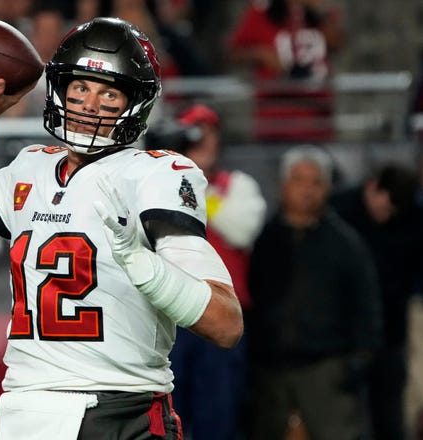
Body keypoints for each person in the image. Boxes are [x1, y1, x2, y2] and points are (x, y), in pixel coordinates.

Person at [0, 17, 243, 439]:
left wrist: (147, 268)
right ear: (59, 89)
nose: (89, 105)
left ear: (135, 104)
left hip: (119, 408)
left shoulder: (155, 174)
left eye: (109, 93)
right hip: (26, 409)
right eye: (79, 87)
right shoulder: (30, 168)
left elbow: (226, 324)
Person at [246, 145, 383, 440]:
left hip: (328, 373)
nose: (307, 190)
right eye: (299, 180)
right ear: (284, 186)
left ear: (328, 188)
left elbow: (367, 306)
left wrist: (357, 363)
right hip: (271, 375)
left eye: (316, 182)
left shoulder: (347, 244)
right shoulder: (265, 241)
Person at [158, 104, 266, 439]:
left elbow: (241, 228)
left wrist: (196, 189)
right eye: (195, 133)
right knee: (168, 413)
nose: (203, 140)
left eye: (210, 132)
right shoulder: (160, 183)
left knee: (219, 413)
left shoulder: (237, 184)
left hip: (222, 316)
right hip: (173, 316)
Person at [330, 162, 423, 440]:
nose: (386, 216)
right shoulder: (339, 211)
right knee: (345, 421)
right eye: (383, 207)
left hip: (390, 335)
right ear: (372, 187)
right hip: (344, 338)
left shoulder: (415, 219)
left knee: (389, 418)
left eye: (393, 213)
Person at [227, 0, 345, 143]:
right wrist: (261, 54)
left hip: (317, 122)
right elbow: (233, 52)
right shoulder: (262, 9)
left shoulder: (317, 12)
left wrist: (320, 14)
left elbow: (337, 43)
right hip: (275, 123)